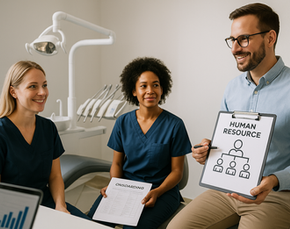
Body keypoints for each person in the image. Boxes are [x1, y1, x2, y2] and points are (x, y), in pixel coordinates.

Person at [167, 3, 290, 229]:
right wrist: (209, 149)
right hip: (227, 191)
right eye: (232, 40)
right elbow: (228, 141)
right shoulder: (233, 88)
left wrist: (274, 180)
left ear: (270, 38)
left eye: (244, 39)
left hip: (276, 196)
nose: (234, 49)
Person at [87, 57, 192, 228]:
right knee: (94, 223)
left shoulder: (175, 124)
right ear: (134, 91)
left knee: (134, 226)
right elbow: (117, 163)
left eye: (155, 85)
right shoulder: (123, 122)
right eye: (143, 86)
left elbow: (177, 172)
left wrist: (157, 191)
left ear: (162, 88)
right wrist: (115, 186)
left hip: (162, 191)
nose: (150, 90)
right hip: (127, 187)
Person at [0, 61, 89, 220]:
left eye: (45, 85)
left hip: (46, 202)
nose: (42, 92)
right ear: (13, 92)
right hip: (12, 211)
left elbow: (55, 176)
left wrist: (60, 206)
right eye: (32, 86)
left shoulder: (48, 128)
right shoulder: (2, 132)